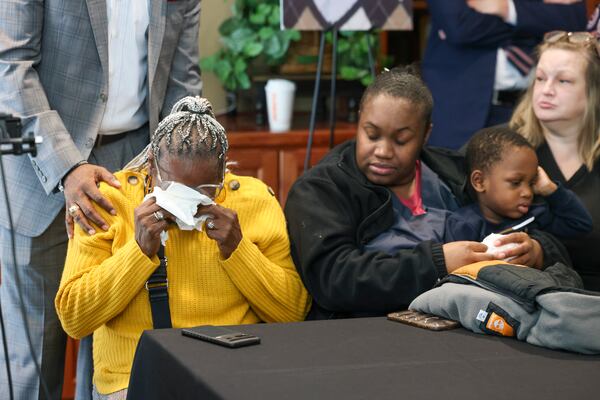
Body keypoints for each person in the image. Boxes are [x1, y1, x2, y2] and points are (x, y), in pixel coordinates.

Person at [0, 1, 202, 398]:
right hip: (39, 171)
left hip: (132, 173)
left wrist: (182, 170)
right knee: (32, 362)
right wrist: (67, 167)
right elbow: (9, 67)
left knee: (113, 357)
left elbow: (184, 84)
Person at [55, 96, 310, 398]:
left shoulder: (252, 199)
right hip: (135, 376)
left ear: (224, 173)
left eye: (204, 190)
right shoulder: (110, 201)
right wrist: (138, 251)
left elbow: (292, 312)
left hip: (233, 372)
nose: (189, 201)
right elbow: (74, 319)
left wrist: (237, 250)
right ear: (151, 166)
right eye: (176, 188)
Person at [284, 66, 570, 320]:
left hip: (469, 325)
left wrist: (536, 250)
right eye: (371, 134)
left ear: (425, 134)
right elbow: (333, 280)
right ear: (359, 123)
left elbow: (546, 229)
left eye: (401, 140)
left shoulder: (460, 174)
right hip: (366, 332)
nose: (382, 151)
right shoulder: (321, 189)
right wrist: (437, 263)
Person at [423, 0, 587, 149]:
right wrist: (533, 28)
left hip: (535, 110)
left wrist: (508, 9)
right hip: (461, 108)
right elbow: (460, 27)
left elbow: (574, 20)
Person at [510, 30, 600, 291]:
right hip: (522, 300)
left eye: (563, 81)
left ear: (594, 90)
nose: (546, 90)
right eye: (540, 78)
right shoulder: (500, 147)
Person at [445, 126, 592, 243]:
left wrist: (551, 190)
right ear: (479, 181)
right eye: (516, 183)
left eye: (531, 182)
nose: (528, 192)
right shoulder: (463, 225)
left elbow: (580, 225)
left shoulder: (535, 216)